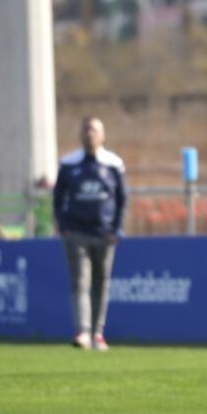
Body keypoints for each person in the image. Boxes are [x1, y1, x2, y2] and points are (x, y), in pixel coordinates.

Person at [53, 116, 127, 351]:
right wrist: (64, 227)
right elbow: (57, 199)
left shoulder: (113, 164)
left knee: (101, 284)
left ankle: (98, 333)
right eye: (86, 129)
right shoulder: (69, 164)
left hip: (104, 235)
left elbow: (121, 199)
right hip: (76, 234)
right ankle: (82, 332)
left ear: (102, 135)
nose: (89, 134)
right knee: (79, 283)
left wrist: (116, 228)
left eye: (94, 130)